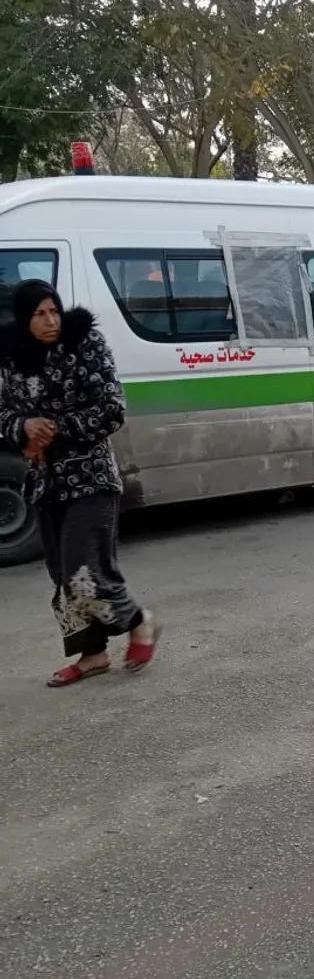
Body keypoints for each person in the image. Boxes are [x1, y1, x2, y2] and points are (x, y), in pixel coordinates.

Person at [0, 281, 161, 687]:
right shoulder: (11, 357)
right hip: (44, 482)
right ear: (23, 319)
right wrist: (22, 427)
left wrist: (51, 430)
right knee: (61, 574)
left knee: (82, 569)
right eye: (39, 314)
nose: (50, 321)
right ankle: (94, 655)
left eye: (54, 310)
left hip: (91, 477)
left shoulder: (85, 344)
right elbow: (3, 412)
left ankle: (139, 621)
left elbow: (111, 408)